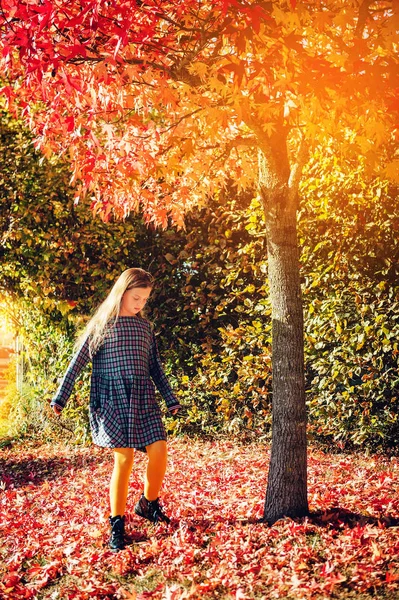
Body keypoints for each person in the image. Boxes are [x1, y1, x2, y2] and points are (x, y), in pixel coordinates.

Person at [51, 268, 181, 552]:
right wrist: (61, 397)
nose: (140, 304)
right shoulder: (102, 326)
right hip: (112, 399)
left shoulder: (145, 328)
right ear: (121, 293)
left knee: (159, 451)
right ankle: (117, 524)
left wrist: (170, 398)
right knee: (124, 459)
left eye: (145, 299)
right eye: (136, 297)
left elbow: (155, 367)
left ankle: (148, 503)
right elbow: (77, 362)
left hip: (143, 398)